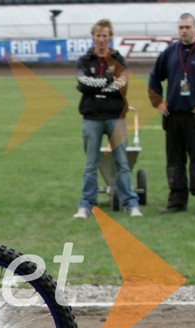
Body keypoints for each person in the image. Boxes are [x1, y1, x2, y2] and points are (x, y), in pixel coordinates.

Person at [74, 19, 142, 218]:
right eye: (98, 35)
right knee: (90, 165)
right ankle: (86, 204)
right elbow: (82, 83)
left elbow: (121, 86)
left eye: (105, 36)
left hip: (116, 117)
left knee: (123, 163)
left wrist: (97, 86)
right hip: (91, 118)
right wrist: (108, 81)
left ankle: (130, 203)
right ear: (93, 37)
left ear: (110, 37)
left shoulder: (119, 59)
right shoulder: (84, 60)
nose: (101, 39)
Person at [148, 13, 195, 215]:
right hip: (173, 117)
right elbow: (154, 78)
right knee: (174, 162)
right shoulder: (170, 52)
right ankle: (177, 201)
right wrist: (158, 102)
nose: (184, 31)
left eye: (187, 27)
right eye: (181, 27)